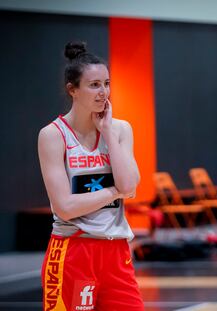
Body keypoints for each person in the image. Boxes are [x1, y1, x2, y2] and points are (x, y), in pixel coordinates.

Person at [38, 41, 144, 311]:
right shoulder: (53, 135)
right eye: (94, 85)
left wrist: (107, 131)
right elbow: (65, 207)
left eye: (107, 83)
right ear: (72, 90)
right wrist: (115, 192)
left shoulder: (120, 129)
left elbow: (130, 186)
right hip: (74, 249)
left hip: (116, 250)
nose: (104, 92)